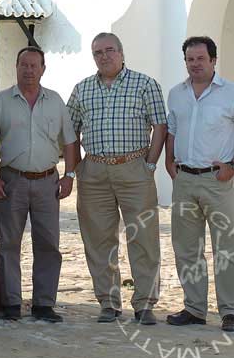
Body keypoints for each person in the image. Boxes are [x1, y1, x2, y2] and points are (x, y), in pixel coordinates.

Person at [67, 32, 167, 325]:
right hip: (94, 172)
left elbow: (160, 126)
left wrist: (150, 165)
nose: (104, 56)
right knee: (98, 240)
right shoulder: (82, 89)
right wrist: (72, 171)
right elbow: (69, 133)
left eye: (110, 50)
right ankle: (108, 302)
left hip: (134, 168)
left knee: (144, 237)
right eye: (98, 52)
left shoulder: (145, 84)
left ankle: (145, 303)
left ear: (121, 53)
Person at [166, 36, 234, 332]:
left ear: (213, 60)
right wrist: (169, 161)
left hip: (217, 183)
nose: (195, 64)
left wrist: (233, 166)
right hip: (184, 180)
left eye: (200, 59)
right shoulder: (176, 94)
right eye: (190, 59)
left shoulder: (232, 94)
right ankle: (194, 309)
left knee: (227, 249)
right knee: (186, 248)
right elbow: (172, 128)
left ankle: (231, 312)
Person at [0, 46, 78, 323]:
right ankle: (11, 302)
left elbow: (70, 142)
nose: (29, 70)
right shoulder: (1, 101)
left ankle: (43, 304)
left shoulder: (55, 102)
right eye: (24, 65)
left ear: (43, 69)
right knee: (8, 245)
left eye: (34, 65)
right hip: (10, 181)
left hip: (47, 183)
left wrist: (69, 176)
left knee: (48, 244)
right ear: (16, 67)